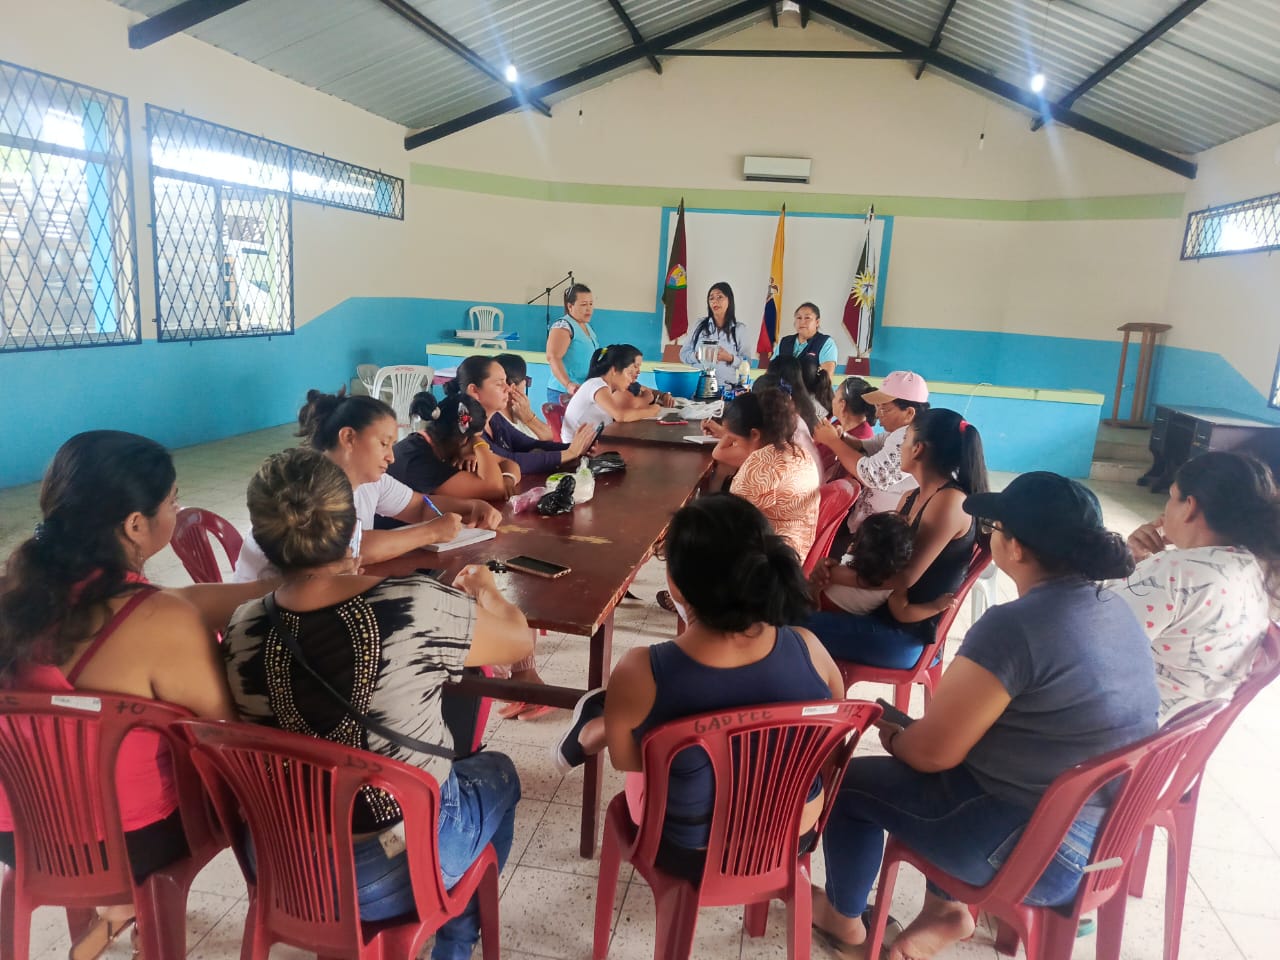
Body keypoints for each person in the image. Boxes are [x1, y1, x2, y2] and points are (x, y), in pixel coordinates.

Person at [812, 472, 1157, 960]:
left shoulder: (1015, 627)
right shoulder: (1114, 609)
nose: (989, 536)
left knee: (850, 784)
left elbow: (932, 756)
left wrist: (893, 736)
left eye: (994, 527)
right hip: (1103, 838)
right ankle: (945, 910)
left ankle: (843, 922)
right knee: (947, 759)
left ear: (1015, 547)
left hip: (1035, 850)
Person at [222, 448, 532, 960]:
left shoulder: (241, 627)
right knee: (497, 771)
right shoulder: (411, 603)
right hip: (392, 866)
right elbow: (518, 642)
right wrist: (488, 589)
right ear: (352, 526)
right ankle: (455, 944)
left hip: (280, 863)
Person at [0, 431, 269, 960]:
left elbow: (159, 602)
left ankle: (117, 910)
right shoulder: (161, 621)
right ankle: (130, 904)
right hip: (132, 843)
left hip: (17, 836)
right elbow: (226, 735)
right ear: (135, 524)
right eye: (173, 501)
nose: (177, 510)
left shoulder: (17, 594)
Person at [551, 494, 844, 880]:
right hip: (794, 836)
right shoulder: (810, 648)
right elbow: (832, 734)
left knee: (645, 740)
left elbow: (628, 761)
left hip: (688, 851)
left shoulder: (642, 669)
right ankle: (601, 725)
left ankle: (595, 728)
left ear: (675, 584)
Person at [231, 389, 502, 581]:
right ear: (348, 437)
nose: (391, 456)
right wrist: (431, 532)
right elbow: (348, 549)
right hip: (267, 606)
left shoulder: (372, 481)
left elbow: (419, 506)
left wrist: (471, 506)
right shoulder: (309, 486)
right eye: (383, 444)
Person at [806, 408, 986, 667]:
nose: (898, 449)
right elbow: (886, 562)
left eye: (904, 440)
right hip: (881, 612)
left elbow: (902, 577)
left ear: (918, 449)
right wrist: (833, 568)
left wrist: (833, 575)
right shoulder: (911, 496)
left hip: (905, 634)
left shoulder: (949, 503)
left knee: (786, 627)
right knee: (781, 610)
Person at [1109, 450, 1278, 722]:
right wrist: (1137, 563)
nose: (1164, 510)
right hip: (1182, 730)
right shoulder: (1255, 567)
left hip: (1127, 725)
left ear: (1190, 506)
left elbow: (1092, 639)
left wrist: (1139, 569)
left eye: (1171, 496)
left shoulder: (1175, 572)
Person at [814, 370, 928, 529]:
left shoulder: (910, 437)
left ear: (909, 412)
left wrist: (832, 441)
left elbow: (871, 475)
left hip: (885, 531)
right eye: (878, 407)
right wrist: (842, 437)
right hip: (870, 524)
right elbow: (868, 445)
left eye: (884, 409)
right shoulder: (897, 433)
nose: (878, 414)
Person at [714, 389, 821, 559]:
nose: (735, 445)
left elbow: (730, 524)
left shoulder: (762, 463)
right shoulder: (797, 452)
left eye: (735, 440)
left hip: (770, 562)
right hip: (794, 554)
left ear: (755, 434)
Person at [463, 353, 598, 473]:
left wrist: (576, 448)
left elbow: (529, 444)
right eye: (499, 384)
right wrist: (570, 453)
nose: (508, 389)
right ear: (474, 390)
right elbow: (509, 460)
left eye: (506, 382)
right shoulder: (467, 429)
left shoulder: (495, 419)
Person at [819, 511, 958, 622]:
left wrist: (827, 565)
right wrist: (935, 606)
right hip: (845, 620)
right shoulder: (895, 584)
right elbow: (903, 613)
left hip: (820, 609)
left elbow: (825, 576)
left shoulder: (847, 564)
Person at [384, 392, 519, 501]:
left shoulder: (427, 443)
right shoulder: (421, 462)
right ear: (463, 440)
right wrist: (479, 444)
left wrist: (507, 479)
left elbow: (509, 463)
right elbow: (494, 488)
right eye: (474, 438)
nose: (477, 443)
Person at [560, 344, 670, 442]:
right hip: (574, 449)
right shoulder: (597, 385)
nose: (631, 380)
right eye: (629, 373)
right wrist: (652, 410)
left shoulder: (605, 387)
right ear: (614, 370)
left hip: (587, 444)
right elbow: (620, 415)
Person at [679, 282, 751, 390]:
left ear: (729, 300)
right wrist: (698, 356)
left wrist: (730, 358)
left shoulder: (739, 329)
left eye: (719, 297)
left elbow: (747, 363)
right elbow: (683, 354)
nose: (714, 301)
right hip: (697, 388)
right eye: (711, 298)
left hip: (726, 389)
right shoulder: (699, 325)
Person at [545, 282, 599, 404]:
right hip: (564, 392)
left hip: (583, 390)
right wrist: (568, 384)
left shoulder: (586, 326)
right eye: (584, 304)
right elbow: (553, 357)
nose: (589, 308)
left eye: (591, 304)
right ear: (570, 306)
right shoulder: (563, 326)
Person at [495, 353, 556, 442]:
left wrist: (529, 418)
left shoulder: (519, 411)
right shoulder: (497, 420)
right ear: (513, 387)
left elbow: (551, 437)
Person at [773, 301, 838, 379]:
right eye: (799, 318)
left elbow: (826, 379)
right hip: (781, 386)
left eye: (807, 318)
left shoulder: (826, 343)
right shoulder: (785, 341)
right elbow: (771, 372)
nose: (802, 322)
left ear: (817, 322)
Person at [830, 376, 878, 443]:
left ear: (842, 405)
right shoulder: (841, 422)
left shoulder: (859, 442)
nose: (832, 400)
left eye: (835, 396)